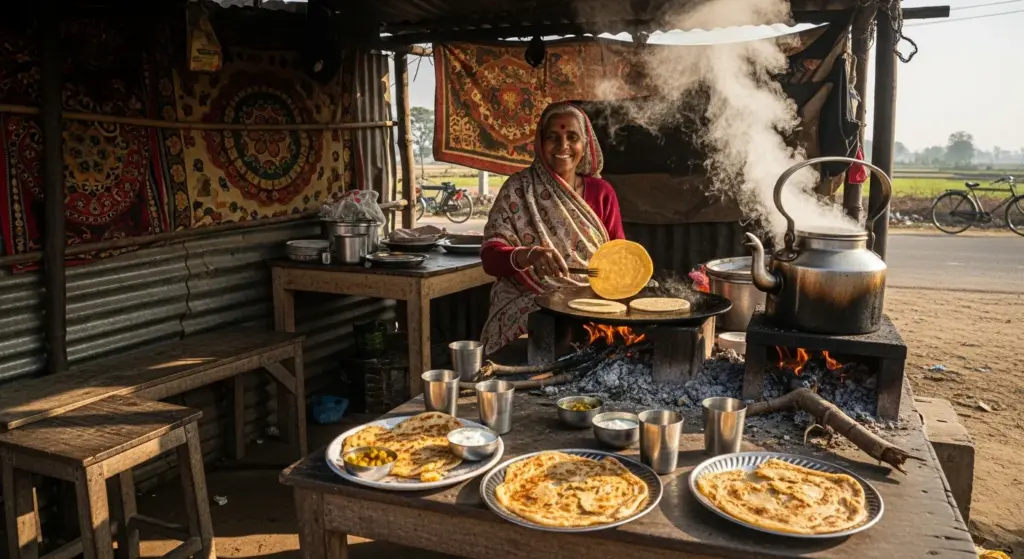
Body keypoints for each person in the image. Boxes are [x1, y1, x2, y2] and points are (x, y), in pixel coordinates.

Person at [479, 102, 625, 355]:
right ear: (539, 142)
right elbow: (490, 259)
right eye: (552, 137)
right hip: (529, 299)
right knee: (546, 326)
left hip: (590, 298)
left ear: (586, 144)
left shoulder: (602, 193)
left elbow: (619, 256)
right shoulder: (518, 189)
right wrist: (529, 255)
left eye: (572, 137)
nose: (563, 146)